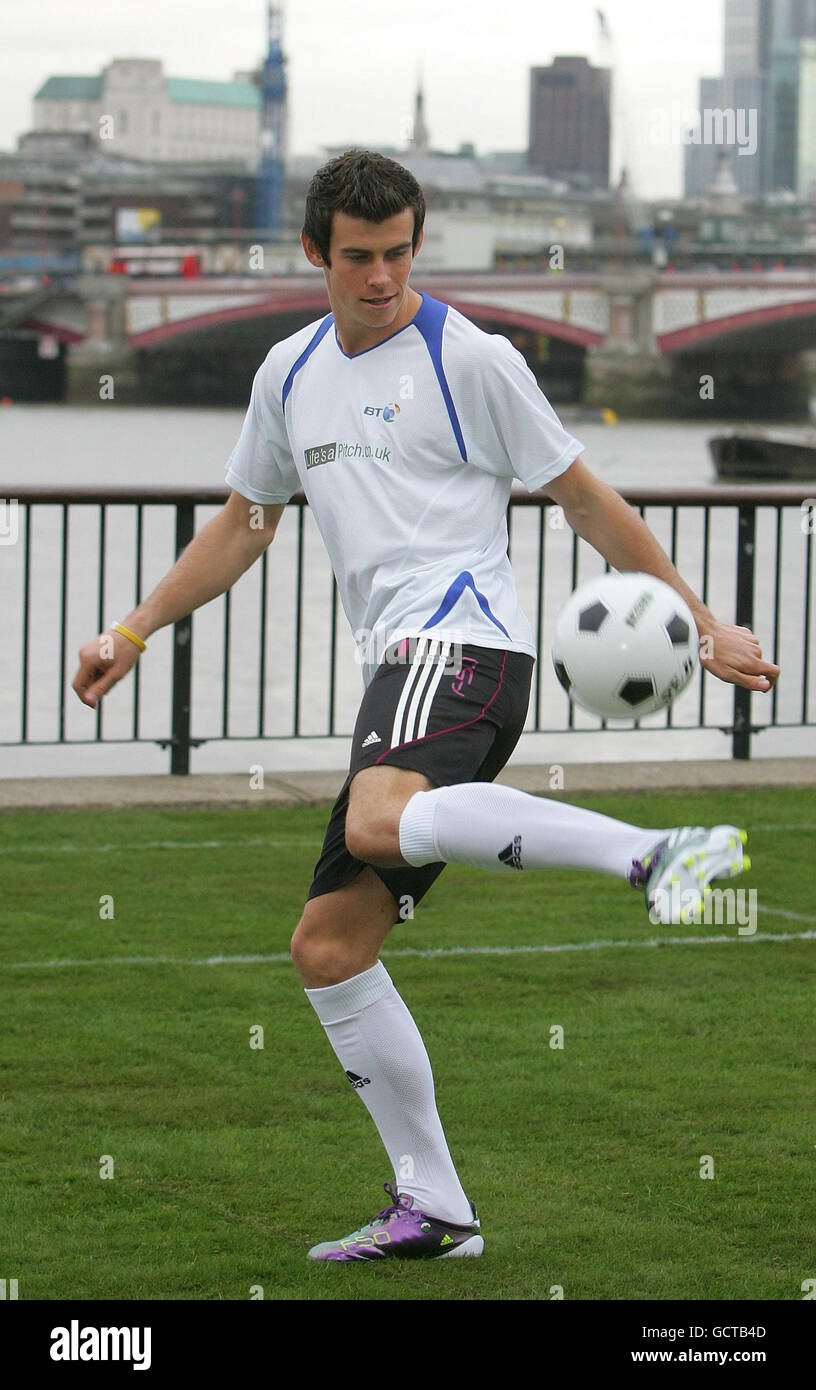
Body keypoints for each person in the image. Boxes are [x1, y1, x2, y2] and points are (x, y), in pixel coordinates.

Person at [73, 149, 780, 1263]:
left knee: (370, 815)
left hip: (463, 647)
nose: (383, 277)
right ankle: (436, 1207)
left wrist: (696, 620)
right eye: (359, 257)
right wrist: (134, 627)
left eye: (400, 252)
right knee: (329, 946)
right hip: (403, 666)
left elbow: (586, 499)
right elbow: (244, 525)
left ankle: (655, 853)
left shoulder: (472, 357)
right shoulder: (289, 373)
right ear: (317, 252)